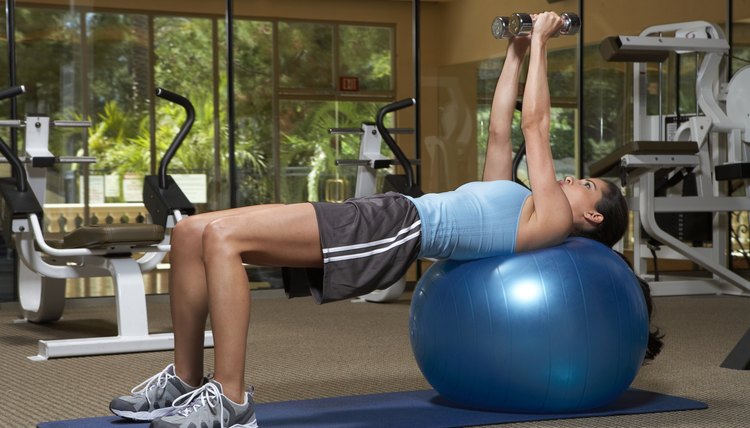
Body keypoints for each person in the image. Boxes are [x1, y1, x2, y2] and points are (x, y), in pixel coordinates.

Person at [109, 12, 638, 428]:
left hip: (396, 230)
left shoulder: (545, 220)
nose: (573, 179)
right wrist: (515, 49)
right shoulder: (518, 194)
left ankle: (230, 400)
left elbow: (535, 127)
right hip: (383, 211)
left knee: (224, 239)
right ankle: (183, 381)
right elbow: (502, 130)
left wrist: (545, 42)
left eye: (587, 184)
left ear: (591, 215)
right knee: (188, 232)